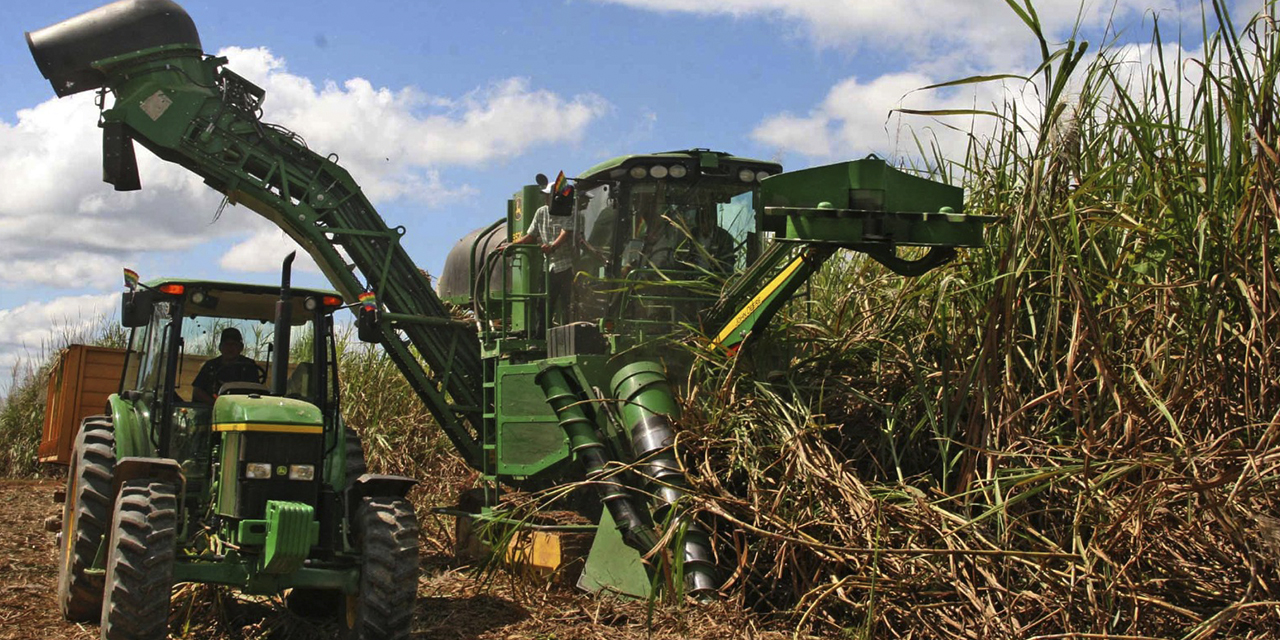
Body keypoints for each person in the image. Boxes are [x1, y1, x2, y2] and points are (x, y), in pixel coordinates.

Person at [507, 175, 576, 328]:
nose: (546, 198)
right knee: (543, 303)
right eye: (545, 196)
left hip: (566, 266)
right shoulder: (541, 212)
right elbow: (531, 236)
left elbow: (566, 232)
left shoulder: (567, 211)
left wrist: (552, 246)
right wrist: (512, 245)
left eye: (548, 195)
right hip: (549, 265)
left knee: (567, 303)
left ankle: (568, 333)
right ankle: (542, 335)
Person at [192, 328, 261, 404]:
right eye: (227, 344)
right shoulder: (210, 366)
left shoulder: (249, 366)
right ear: (220, 347)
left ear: (241, 348)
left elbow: (256, 390)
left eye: (234, 344)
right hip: (211, 409)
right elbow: (197, 391)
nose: (230, 348)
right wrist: (215, 404)